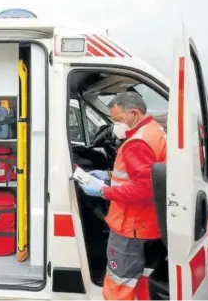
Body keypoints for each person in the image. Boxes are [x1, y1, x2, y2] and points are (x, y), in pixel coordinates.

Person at [78, 92, 167, 300]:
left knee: (119, 282)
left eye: (117, 119)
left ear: (133, 114)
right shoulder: (154, 131)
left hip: (130, 226)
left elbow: (144, 189)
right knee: (142, 278)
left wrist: (103, 190)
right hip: (148, 223)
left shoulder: (137, 143)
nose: (115, 125)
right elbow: (142, 176)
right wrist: (107, 176)